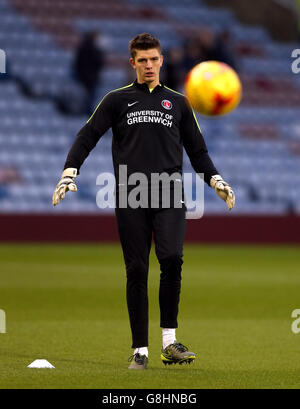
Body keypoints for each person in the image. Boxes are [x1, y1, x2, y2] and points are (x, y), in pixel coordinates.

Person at [52, 33, 235, 370]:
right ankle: (140, 350)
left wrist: (215, 179)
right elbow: (87, 135)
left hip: (169, 194)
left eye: (154, 59)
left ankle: (169, 343)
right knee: (136, 269)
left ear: (162, 60)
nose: (149, 65)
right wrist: (69, 171)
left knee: (172, 258)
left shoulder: (179, 102)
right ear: (132, 62)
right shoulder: (116, 100)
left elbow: (198, 151)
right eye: (143, 60)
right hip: (131, 195)